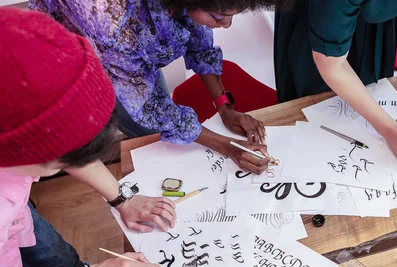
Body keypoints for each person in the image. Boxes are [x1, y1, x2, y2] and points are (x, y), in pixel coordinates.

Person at [0, 8, 174, 267]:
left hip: (19, 224)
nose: (69, 164)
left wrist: (121, 198)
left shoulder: (18, 60)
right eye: (59, 162)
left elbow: (66, 137)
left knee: (59, 257)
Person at [31, 0, 290, 174]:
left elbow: (198, 41)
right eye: (219, 17)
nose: (226, 25)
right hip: (86, 59)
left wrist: (224, 107)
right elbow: (150, 106)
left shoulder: (189, 5)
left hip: (126, 53)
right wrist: (228, 147)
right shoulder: (114, 23)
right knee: (149, 135)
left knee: (168, 127)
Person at [274, 0, 397, 164]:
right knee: (318, 130)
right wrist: (392, 131)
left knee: (375, 89)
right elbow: (332, 66)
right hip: (319, 29)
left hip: (374, 25)